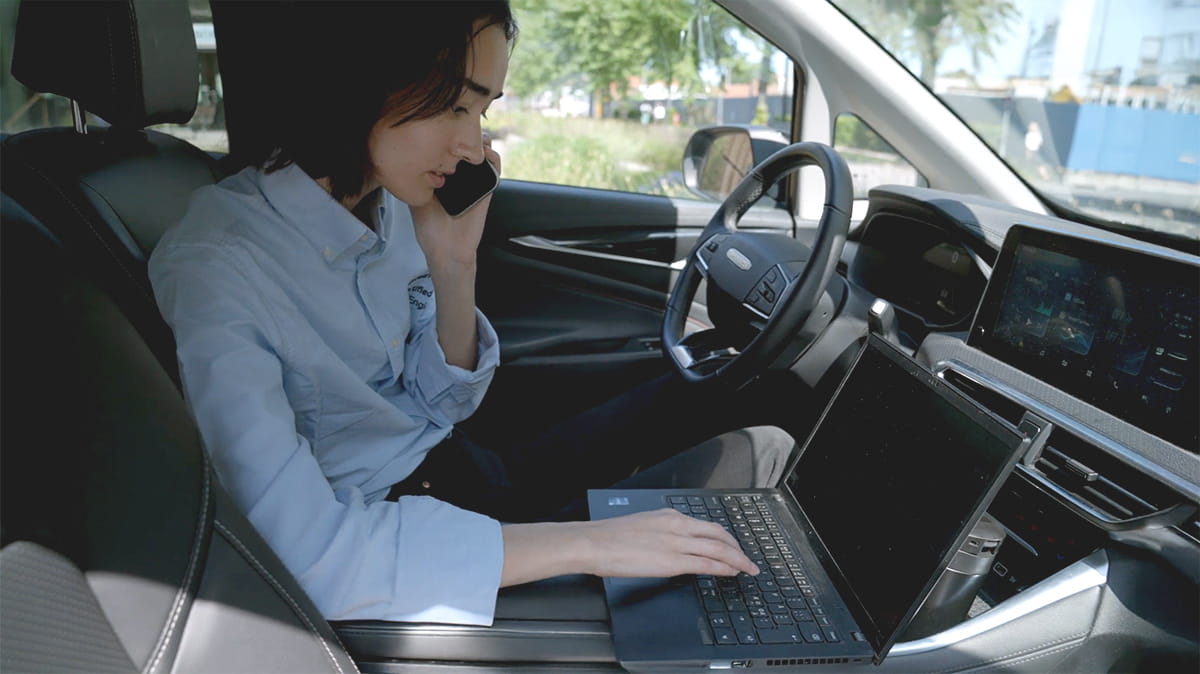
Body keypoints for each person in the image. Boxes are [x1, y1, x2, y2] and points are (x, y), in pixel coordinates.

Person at [150, 0, 791, 625]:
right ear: (362, 72)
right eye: (456, 103)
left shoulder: (386, 199)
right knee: (758, 454)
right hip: (398, 530)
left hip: (459, 466)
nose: (471, 145)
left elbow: (442, 404)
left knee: (724, 388)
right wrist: (592, 543)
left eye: (483, 110)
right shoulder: (220, 265)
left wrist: (452, 260)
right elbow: (303, 555)